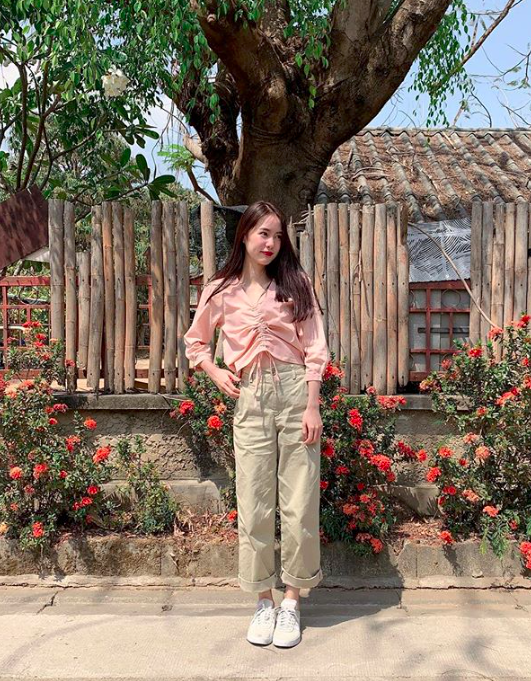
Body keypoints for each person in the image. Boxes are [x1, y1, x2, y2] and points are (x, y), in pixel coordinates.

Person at [183, 200, 330, 648]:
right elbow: (196, 342)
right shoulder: (220, 289)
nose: (271, 243)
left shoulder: (295, 283)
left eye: (278, 235)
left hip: (295, 393)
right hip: (250, 398)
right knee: (253, 502)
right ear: (245, 234)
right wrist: (215, 371)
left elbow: (315, 347)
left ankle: (292, 602)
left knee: (300, 502)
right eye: (263, 233)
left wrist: (312, 406)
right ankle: (263, 601)